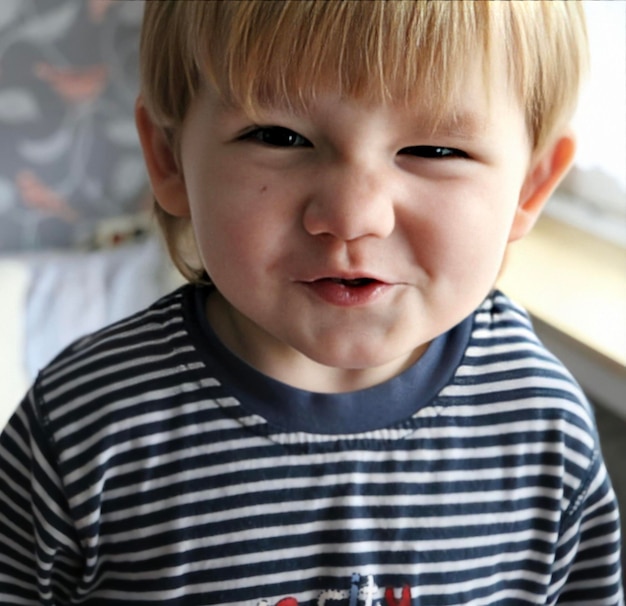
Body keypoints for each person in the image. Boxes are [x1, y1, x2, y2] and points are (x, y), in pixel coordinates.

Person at [0, 1, 622, 604]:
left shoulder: (542, 425)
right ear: (169, 158)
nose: (353, 216)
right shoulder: (83, 425)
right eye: (280, 136)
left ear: (531, 185)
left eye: (434, 151)